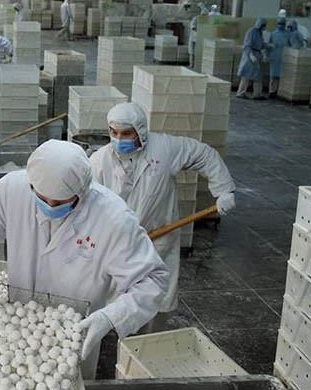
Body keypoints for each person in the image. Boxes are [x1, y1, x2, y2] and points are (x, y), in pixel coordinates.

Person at [0, 140, 169, 379]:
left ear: (82, 191)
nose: (50, 206)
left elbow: (152, 281)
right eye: (42, 198)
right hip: (15, 328)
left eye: (61, 203)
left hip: (72, 337)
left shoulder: (113, 219)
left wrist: (110, 317)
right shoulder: (12, 189)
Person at [89, 103, 235, 326]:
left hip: (158, 238)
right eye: (114, 132)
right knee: (120, 301)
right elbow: (87, 202)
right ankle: (123, 339)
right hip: (120, 243)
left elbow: (205, 155)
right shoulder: (99, 161)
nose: (119, 139)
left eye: (126, 133)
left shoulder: (164, 149)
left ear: (140, 131)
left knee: (157, 299)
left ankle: (151, 344)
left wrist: (224, 189)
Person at [267, 17, 303, 97]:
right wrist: (267, 55)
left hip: (285, 58)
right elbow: (268, 45)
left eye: (282, 24)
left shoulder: (289, 34)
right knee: (273, 76)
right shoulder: (273, 34)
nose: (280, 25)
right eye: (279, 23)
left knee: (283, 76)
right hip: (274, 57)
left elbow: (294, 45)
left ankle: (280, 92)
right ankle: (272, 91)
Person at [236, 18, 267, 99]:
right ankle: (241, 93)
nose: (264, 27)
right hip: (250, 56)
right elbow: (247, 45)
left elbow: (260, 44)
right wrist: (251, 55)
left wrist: (266, 45)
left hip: (256, 55)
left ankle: (256, 94)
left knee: (256, 76)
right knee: (246, 75)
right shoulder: (251, 32)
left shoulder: (259, 33)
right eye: (263, 26)